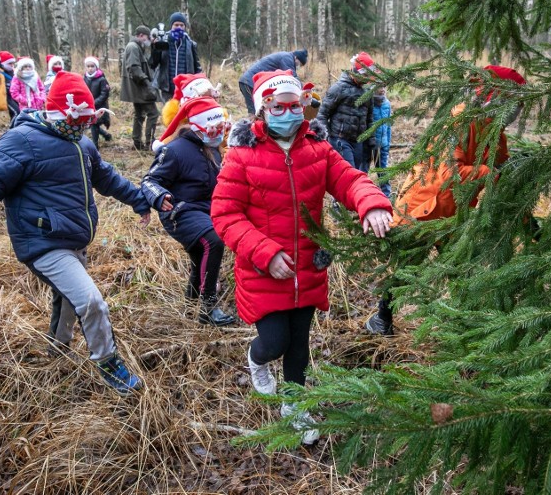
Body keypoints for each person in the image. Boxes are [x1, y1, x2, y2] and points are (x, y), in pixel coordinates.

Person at [0, 71, 151, 395]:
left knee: (69, 298)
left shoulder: (83, 144)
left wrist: (139, 200)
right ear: (57, 113)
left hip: (73, 238)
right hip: (43, 242)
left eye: (87, 121)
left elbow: (108, 178)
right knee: (91, 301)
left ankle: (57, 350)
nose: (82, 128)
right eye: (77, 121)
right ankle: (109, 363)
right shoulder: (23, 142)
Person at [211, 70, 393, 444]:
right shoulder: (242, 156)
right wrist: (265, 253)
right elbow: (225, 214)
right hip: (264, 270)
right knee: (275, 341)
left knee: (299, 344)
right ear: (263, 107)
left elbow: (349, 179)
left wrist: (371, 203)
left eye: (296, 106)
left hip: (308, 267)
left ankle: (295, 406)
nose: (290, 113)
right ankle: (256, 360)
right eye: (280, 107)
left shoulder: (317, 148)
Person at [365, 65, 526, 336]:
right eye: (512, 102)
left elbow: (500, 167)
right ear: (494, 98)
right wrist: (497, 174)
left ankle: (463, 329)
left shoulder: (494, 131)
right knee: (408, 266)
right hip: (424, 206)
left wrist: (515, 170)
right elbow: (451, 173)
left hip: (455, 213)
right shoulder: (461, 121)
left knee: (462, 269)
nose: (516, 111)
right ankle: (382, 319)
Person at [142, 96, 236, 326]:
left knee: (199, 257)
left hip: (205, 210)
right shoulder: (174, 150)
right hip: (179, 210)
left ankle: (190, 305)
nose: (218, 133)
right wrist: (159, 196)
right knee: (213, 241)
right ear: (197, 126)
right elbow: (149, 180)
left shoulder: (213, 149)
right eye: (213, 128)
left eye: (220, 127)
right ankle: (208, 306)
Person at [315, 51, 378, 170]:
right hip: (339, 139)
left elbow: (369, 118)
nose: (365, 79)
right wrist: (325, 137)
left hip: (358, 141)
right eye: (363, 75)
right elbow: (322, 114)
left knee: (357, 171)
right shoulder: (338, 89)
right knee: (349, 172)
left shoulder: (367, 92)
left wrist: (371, 140)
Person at [120, 25, 160, 151]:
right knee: (153, 113)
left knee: (139, 115)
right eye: (148, 38)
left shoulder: (136, 47)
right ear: (141, 35)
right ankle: (150, 143)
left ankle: (137, 142)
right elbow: (134, 67)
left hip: (137, 87)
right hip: (140, 87)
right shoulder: (133, 47)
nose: (148, 41)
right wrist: (147, 82)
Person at [238, 49, 308, 117]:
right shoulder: (287, 58)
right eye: (300, 64)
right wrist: (305, 92)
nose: (298, 66)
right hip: (249, 82)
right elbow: (292, 78)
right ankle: (250, 126)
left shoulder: (285, 56)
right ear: (296, 58)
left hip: (254, 84)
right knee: (255, 111)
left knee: (262, 110)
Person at [150, 12, 202, 102]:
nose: (179, 27)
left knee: (183, 115)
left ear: (185, 26)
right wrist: (155, 47)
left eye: (182, 25)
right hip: (167, 88)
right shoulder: (163, 41)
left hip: (186, 89)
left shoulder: (190, 44)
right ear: (171, 25)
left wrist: (202, 84)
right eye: (176, 25)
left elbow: (197, 68)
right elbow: (153, 64)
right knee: (169, 114)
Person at [368, 86, 393, 197]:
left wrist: (387, 142)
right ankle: (362, 193)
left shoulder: (387, 104)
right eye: (379, 86)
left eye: (384, 86)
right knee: (363, 170)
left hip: (383, 144)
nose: (382, 89)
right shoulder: (369, 103)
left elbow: (388, 126)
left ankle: (386, 194)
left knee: (383, 169)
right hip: (369, 144)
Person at [83, 56, 112, 147]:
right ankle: (106, 135)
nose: (90, 68)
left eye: (92, 66)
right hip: (88, 106)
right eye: (88, 66)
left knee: (94, 124)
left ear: (96, 67)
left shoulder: (101, 79)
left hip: (100, 107)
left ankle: (95, 146)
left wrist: (94, 102)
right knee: (91, 124)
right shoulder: (84, 78)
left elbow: (104, 94)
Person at [0, 50, 20, 119]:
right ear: (3, 63)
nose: (12, 65)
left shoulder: (14, 71)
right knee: (17, 112)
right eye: (9, 63)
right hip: (6, 97)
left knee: (17, 113)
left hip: (15, 96)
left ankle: (15, 127)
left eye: (13, 63)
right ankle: (13, 128)